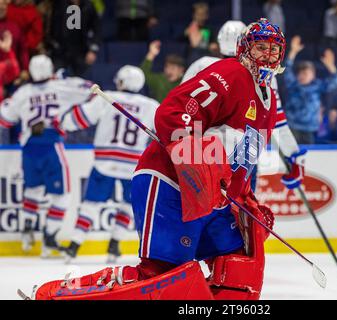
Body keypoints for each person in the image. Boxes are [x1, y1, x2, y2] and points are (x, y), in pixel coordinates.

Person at [33, 18, 286, 300]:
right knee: (161, 276)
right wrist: (201, 163)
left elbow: (241, 160)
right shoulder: (231, 72)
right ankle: (63, 295)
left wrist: (245, 199)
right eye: (260, 47)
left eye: (274, 50)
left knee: (238, 265)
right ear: (243, 49)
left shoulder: (269, 101)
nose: (267, 55)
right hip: (172, 182)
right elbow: (174, 113)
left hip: (214, 198)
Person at [182, 20, 305, 192]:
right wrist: (293, 155)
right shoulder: (266, 74)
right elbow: (277, 122)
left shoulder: (202, 64)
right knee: (238, 215)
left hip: (201, 154)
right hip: (241, 159)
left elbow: (182, 108)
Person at [59, 66, 159, 263]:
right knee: (128, 204)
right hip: (132, 164)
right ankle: (115, 245)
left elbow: (76, 120)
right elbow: (164, 131)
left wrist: (63, 122)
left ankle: (74, 246)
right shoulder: (151, 105)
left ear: (121, 82)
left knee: (91, 205)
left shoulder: (106, 97)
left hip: (104, 162)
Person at [0, 55, 92, 257]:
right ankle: (49, 239)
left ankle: (26, 228)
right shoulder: (60, 86)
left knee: (33, 189)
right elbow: (91, 89)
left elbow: (4, 119)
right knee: (63, 195)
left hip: (28, 146)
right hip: (51, 143)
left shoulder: (23, 92)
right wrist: (67, 79)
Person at [283, 35, 337, 144]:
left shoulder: (317, 86)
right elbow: (287, 70)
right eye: (300, 73)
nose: (302, 75)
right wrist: (293, 52)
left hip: (310, 128)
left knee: (309, 154)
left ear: (313, 75)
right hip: (292, 126)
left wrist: (331, 66)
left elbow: (335, 81)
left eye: (306, 73)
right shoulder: (293, 84)